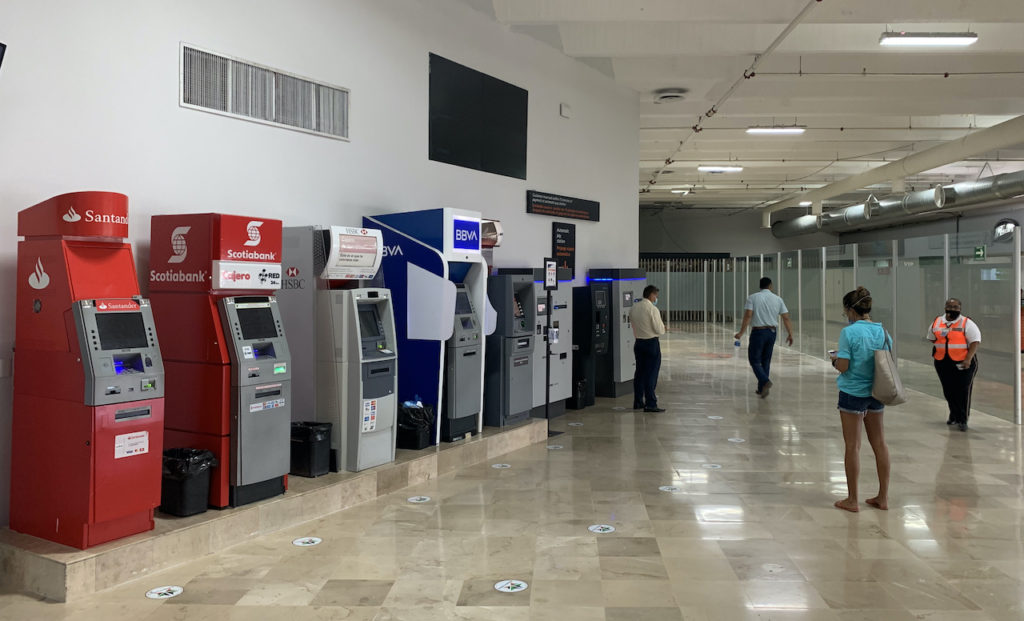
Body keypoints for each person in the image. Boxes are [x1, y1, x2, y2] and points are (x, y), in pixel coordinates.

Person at [830, 287, 891, 513]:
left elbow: (844, 366)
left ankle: (853, 499)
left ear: (849, 310)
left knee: (852, 446)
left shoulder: (850, 332)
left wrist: (834, 361)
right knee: (880, 443)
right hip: (876, 392)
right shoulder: (883, 331)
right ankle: (882, 497)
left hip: (853, 393)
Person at [734, 277, 794, 398]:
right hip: (772, 333)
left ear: (760, 286)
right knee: (766, 360)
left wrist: (741, 332)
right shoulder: (778, 299)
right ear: (771, 286)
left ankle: (765, 381)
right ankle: (762, 389)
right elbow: (786, 317)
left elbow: (748, 316)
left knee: (754, 360)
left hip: (758, 332)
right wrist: (790, 333)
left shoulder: (753, 297)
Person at [928, 298, 980, 432]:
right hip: (943, 362)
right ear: (945, 307)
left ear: (960, 309)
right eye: (949, 306)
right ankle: (954, 414)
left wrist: (968, 359)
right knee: (948, 390)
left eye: (956, 307)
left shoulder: (967, 323)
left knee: (963, 390)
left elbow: (975, 341)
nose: (952, 309)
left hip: (964, 362)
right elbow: (932, 337)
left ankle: (963, 419)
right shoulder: (938, 321)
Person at [630, 284, 666, 412]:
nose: (656, 298)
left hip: (639, 343)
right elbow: (658, 329)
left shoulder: (634, 307)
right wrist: (663, 328)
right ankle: (651, 403)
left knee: (639, 373)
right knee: (651, 374)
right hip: (651, 343)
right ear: (651, 295)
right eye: (656, 295)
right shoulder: (652, 309)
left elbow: (632, 325)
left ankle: (638, 401)